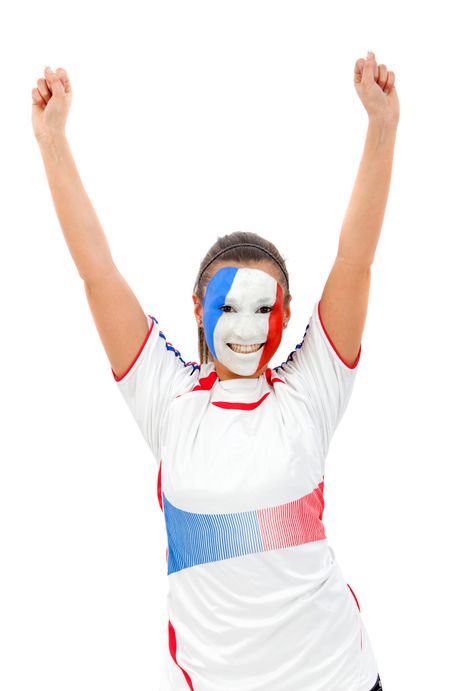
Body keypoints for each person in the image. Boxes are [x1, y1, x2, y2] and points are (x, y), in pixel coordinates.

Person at [31, 50, 398, 690]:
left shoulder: (310, 390)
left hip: (337, 675)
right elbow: (98, 273)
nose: (248, 326)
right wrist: (53, 141)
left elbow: (355, 260)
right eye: (230, 305)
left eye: (265, 307)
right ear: (198, 310)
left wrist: (382, 127)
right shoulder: (169, 402)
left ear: (285, 313)